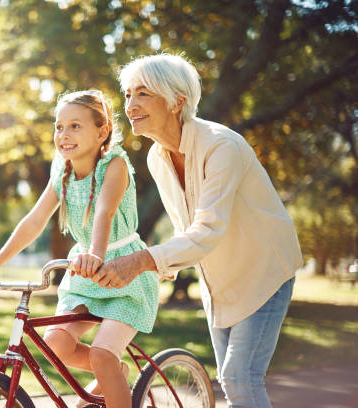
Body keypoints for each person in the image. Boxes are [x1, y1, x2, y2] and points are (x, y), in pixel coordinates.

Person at [90, 54, 303, 408]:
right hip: (218, 280)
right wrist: (160, 270)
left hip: (265, 272)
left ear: (177, 101)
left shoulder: (221, 146)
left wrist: (143, 261)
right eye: (127, 94)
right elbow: (185, 228)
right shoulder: (157, 157)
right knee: (232, 382)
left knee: (240, 378)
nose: (130, 105)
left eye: (143, 93)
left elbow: (207, 229)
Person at [0, 90, 159, 408]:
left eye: (74, 126)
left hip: (122, 273)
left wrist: (96, 255)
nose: (64, 134)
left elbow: (104, 212)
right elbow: (35, 220)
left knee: (101, 352)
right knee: (55, 345)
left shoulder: (114, 164)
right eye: (59, 127)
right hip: (85, 274)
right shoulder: (62, 170)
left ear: (102, 132)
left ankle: (107, 367)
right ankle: (113, 371)